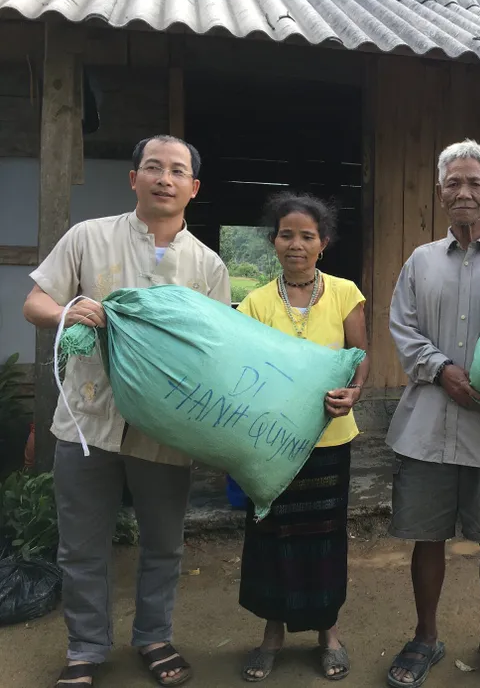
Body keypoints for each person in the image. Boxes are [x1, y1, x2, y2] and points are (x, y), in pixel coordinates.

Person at [23, 135, 231, 688]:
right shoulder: (88, 237)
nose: (165, 179)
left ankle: (154, 638)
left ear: (193, 187)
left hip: (166, 430)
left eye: (178, 171)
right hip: (87, 421)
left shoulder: (208, 265)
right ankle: (85, 648)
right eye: (154, 168)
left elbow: (217, 348)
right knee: (81, 546)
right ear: (134, 178)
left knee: (163, 543)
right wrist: (68, 311)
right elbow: (35, 302)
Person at [385, 139, 480, 688]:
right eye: (453, 183)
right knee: (428, 538)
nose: (463, 192)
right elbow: (403, 329)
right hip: (426, 427)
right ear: (440, 192)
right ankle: (425, 635)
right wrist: (442, 368)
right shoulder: (420, 262)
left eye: (474, 183)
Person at [235, 192, 369, 683]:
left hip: (329, 439)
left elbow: (359, 355)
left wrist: (354, 391)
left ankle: (328, 633)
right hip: (270, 442)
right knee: (271, 536)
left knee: (325, 536)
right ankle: (272, 633)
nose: (296, 244)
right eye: (286, 234)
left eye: (307, 236)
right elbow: (242, 368)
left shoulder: (344, 293)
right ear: (273, 241)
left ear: (323, 242)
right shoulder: (255, 302)